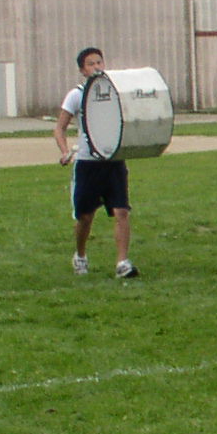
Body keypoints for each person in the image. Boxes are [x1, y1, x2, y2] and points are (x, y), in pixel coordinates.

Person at [55, 47, 139, 279]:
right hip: (87, 163)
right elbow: (59, 128)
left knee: (121, 211)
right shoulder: (76, 95)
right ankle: (80, 255)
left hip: (113, 161)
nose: (97, 67)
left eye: (99, 62)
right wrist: (64, 151)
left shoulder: (115, 92)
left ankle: (122, 262)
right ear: (82, 70)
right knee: (85, 216)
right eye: (91, 64)